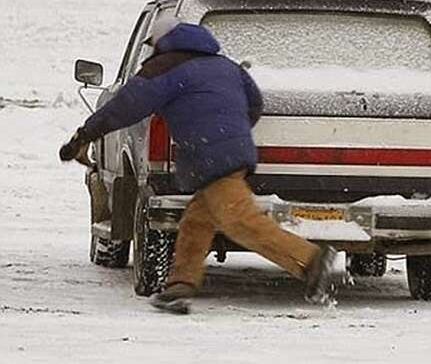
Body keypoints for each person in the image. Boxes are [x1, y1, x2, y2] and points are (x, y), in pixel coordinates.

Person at [59, 16, 336, 314]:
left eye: (153, 44)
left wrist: (83, 136)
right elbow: (254, 103)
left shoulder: (165, 68)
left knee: (240, 222)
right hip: (233, 154)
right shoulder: (226, 66)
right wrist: (229, 132)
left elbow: (125, 106)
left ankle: (311, 260)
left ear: (163, 42)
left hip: (210, 157)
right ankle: (180, 287)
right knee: (196, 222)